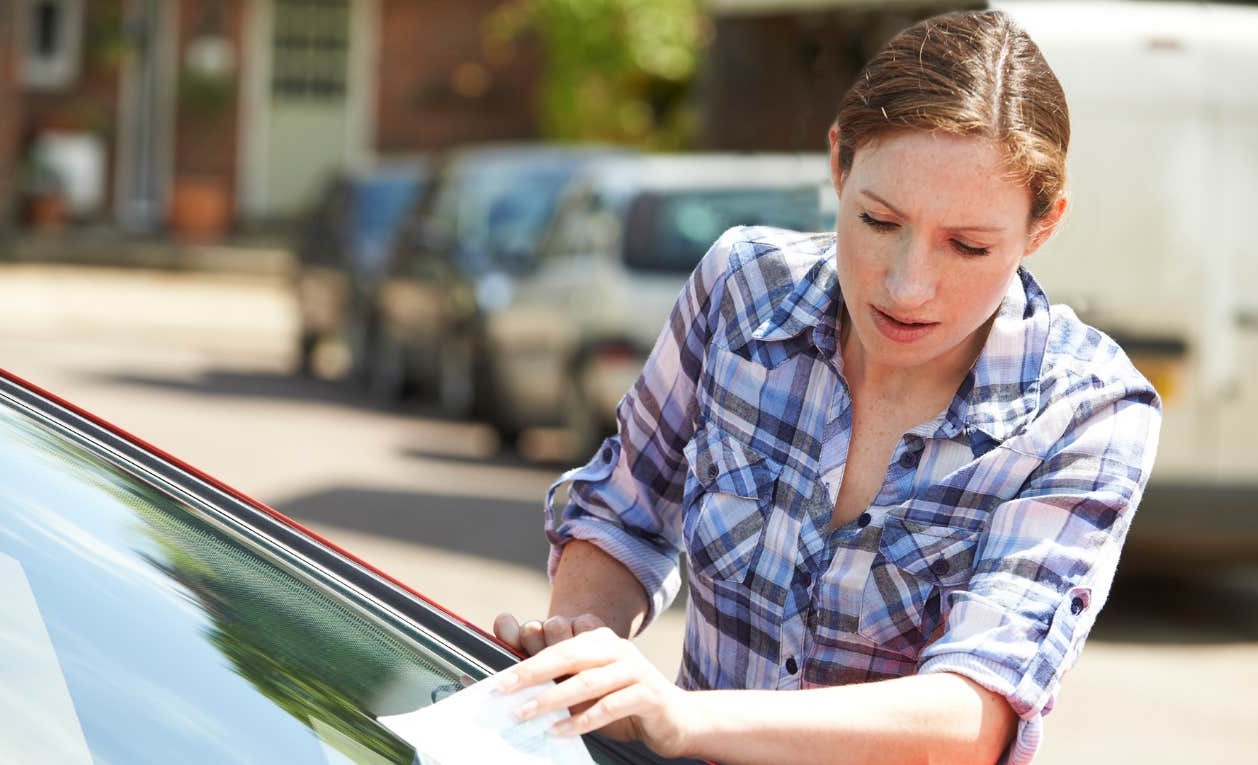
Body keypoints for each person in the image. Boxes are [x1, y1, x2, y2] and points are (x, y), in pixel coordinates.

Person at [493, 9, 1161, 764]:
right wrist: (581, 661)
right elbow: (625, 508)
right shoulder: (740, 290)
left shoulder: (1090, 409)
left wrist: (684, 718)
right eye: (879, 221)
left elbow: (975, 710)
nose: (909, 285)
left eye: (968, 245)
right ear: (838, 164)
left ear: (1043, 226)